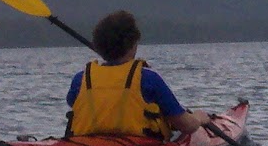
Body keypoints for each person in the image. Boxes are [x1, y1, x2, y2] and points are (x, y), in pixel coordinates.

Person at [65, 10, 210, 138]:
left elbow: (76, 104)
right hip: (138, 145)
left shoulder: (80, 79)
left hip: (86, 144)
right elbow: (186, 126)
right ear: (133, 44)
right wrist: (198, 118)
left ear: (98, 46)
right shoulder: (149, 78)